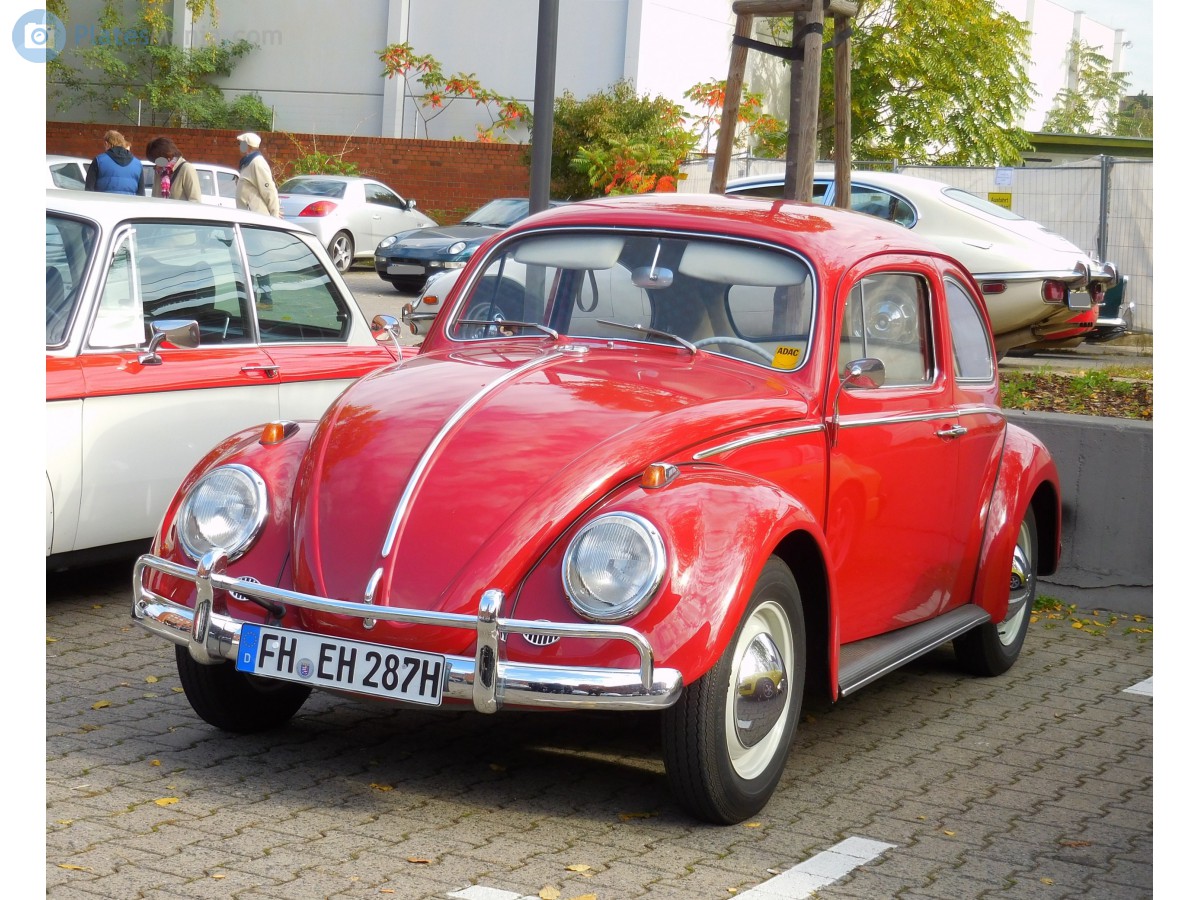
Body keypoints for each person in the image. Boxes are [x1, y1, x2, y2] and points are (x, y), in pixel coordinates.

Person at [84, 130, 147, 195]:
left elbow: (89, 189)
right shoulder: (137, 164)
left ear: (106, 144)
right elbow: (141, 193)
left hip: (104, 203)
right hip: (128, 204)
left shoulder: (99, 160)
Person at [234, 132, 281, 217]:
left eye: (241, 144)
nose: (239, 147)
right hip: (247, 216)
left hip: (256, 217)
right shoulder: (247, 163)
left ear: (248, 147)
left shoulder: (257, 163)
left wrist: (275, 215)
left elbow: (269, 190)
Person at [144, 136, 201, 202]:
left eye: (158, 161)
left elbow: (195, 201)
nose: (157, 165)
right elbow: (154, 198)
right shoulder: (159, 172)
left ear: (167, 156)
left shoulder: (186, 169)